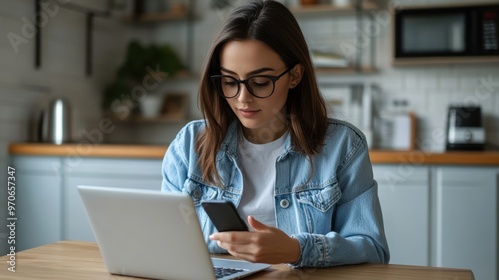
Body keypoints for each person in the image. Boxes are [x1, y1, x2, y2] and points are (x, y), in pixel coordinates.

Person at [161, 0, 389, 268]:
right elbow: (166, 241)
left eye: (260, 82)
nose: (243, 98)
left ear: (294, 76)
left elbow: (372, 249)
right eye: (229, 81)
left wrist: (296, 250)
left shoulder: (343, 146)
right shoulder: (190, 144)